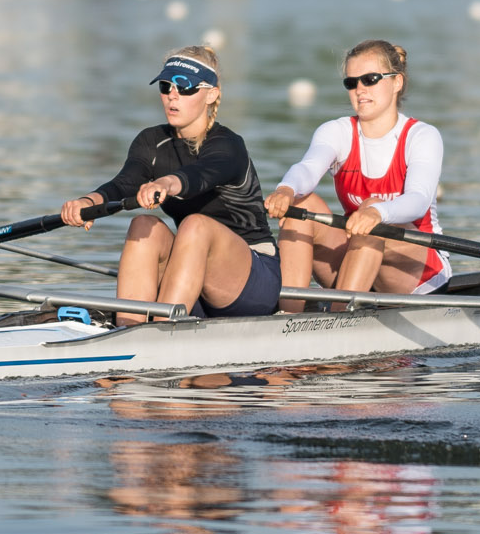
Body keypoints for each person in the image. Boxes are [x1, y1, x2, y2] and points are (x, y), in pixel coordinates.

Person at [60, 46, 281, 323]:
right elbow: (123, 184)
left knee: (196, 224)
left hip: (252, 281)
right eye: (166, 86)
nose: (172, 95)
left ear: (211, 94)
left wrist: (166, 183)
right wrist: (87, 203)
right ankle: (128, 328)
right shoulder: (150, 142)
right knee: (143, 225)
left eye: (185, 87)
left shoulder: (228, 145)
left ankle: (163, 331)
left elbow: (201, 174)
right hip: (193, 280)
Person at [263, 39, 446, 309]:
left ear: (397, 82)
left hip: (417, 272)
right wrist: (286, 189)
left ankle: (337, 325)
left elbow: (418, 200)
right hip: (357, 259)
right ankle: (287, 317)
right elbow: (308, 168)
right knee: (300, 205)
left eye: (370, 79)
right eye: (352, 82)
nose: (360, 89)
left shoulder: (422, 136)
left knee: (373, 211)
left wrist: (377, 213)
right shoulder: (336, 131)